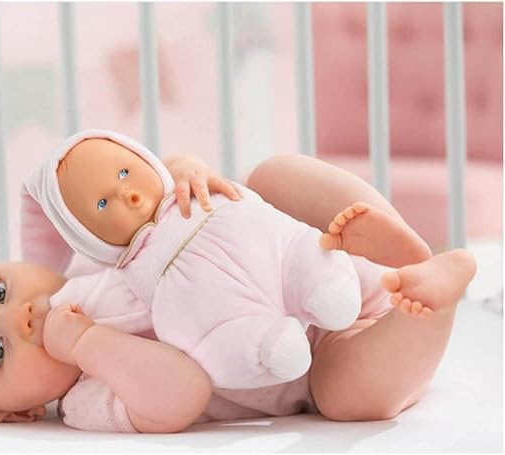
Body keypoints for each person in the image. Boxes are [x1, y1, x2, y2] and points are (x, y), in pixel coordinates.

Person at [0, 141, 476, 433]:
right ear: (19, 414)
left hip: (306, 255)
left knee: (270, 177)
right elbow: (182, 392)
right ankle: (432, 291)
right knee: (350, 399)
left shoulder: (92, 256)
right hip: (318, 357)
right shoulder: (89, 398)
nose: (19, 318)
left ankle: (391, 242)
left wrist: (185, 173)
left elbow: (150, 200)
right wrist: (87, 343)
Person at [25, 129, 367, 390]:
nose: (126, 193)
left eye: (125, 172)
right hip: (237, 322)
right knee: (216, 343)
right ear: (87, 237)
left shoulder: (184, 190)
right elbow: (94, 303)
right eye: (102, 204)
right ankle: (269, 345)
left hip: (273, 253)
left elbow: (184, 163)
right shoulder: (123, 274)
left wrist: (189, 168)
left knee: (291, 233)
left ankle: (324, 284)